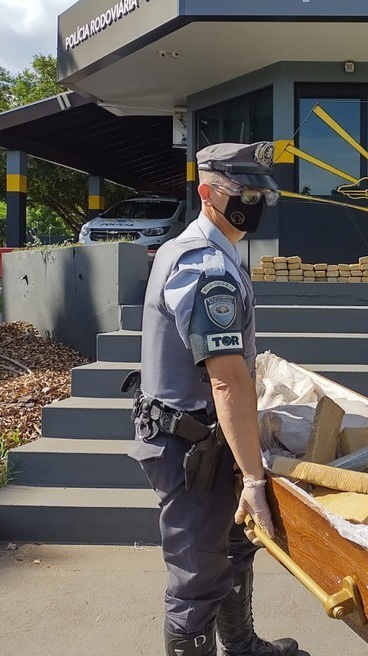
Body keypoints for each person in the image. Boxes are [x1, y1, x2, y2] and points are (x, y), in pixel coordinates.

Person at [127, 141, 299, 656]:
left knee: (233, 547)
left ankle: (241, 646)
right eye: (242, 191)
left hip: (207, 436)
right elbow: (225, 380)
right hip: (191, 450)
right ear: (207, 194)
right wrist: (253, 477)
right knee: (197, 576)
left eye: (261, 192)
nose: (255, 201)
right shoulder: (206, 268)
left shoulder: (213, 253)